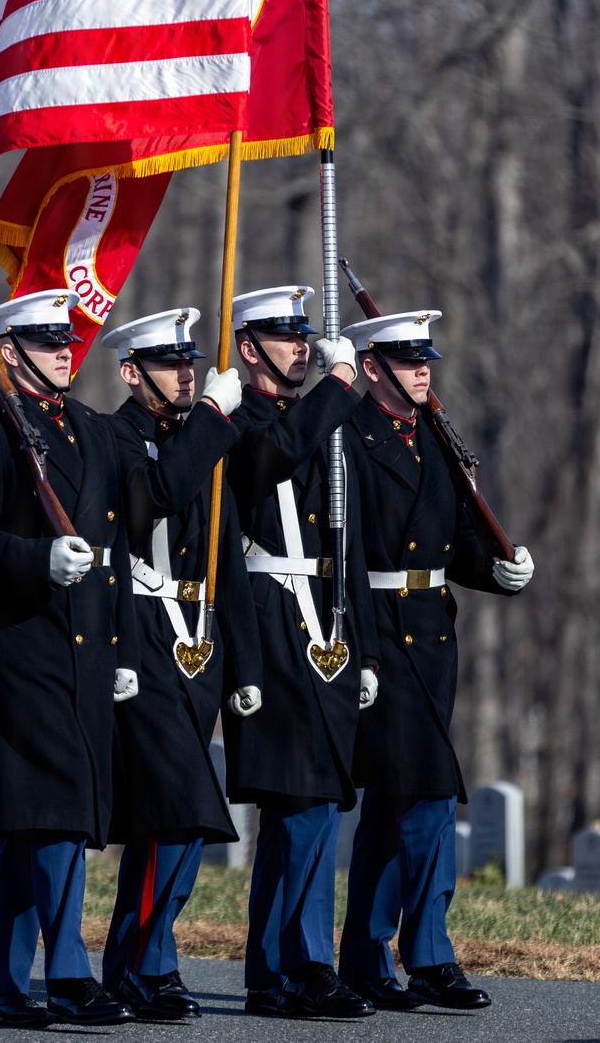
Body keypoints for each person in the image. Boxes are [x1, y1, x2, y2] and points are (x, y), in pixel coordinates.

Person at [0, 289, 138, 1029]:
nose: (66, 351)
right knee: (53, 812)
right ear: (10, 352)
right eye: (50, 342)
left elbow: (113, 543)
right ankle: (70, 973)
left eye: (70, 339)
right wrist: (36, 557)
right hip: (17, 647)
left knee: (41, 819)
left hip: (85, 646)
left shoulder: (88, 428)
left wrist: (118, 640)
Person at [337, 309, 534, 1012]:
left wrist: (497, 569)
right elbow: (344, 553)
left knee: (394, 803)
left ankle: (364, 958)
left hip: (433, 633)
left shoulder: (433, 438)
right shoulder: (347, 438)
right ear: (371, 368)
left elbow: (455, 540)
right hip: (380, 637)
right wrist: (356, 649)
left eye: (426, 359)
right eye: (407, 359)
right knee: (426, 793)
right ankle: (427, 955)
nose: (424, 369)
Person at [99, 307, 263, 1020]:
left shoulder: (203, 441)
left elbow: (227, 564)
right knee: (183, 812)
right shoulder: (114, 439)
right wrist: (217, 419)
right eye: (170, 363)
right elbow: (153, 498)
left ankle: (136, 963)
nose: (187, 373)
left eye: (191, 362)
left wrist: (247, 668)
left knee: (169, 817)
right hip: (141, 638)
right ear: (132, 373)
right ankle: (147, 964)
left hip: (199, 645)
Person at [223, 286, 380, 1021]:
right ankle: (293, 963)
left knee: (317, 799)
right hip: (272, 620)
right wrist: (342, 384)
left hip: (327, 622)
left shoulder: (326, 423)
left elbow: (346, 543)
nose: (303, 349)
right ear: (250, 349)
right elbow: (275, 460)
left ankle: (291, 964)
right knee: (297, 798)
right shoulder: (243, 422)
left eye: (305, 337)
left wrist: (368, 649)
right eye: (286, 339)